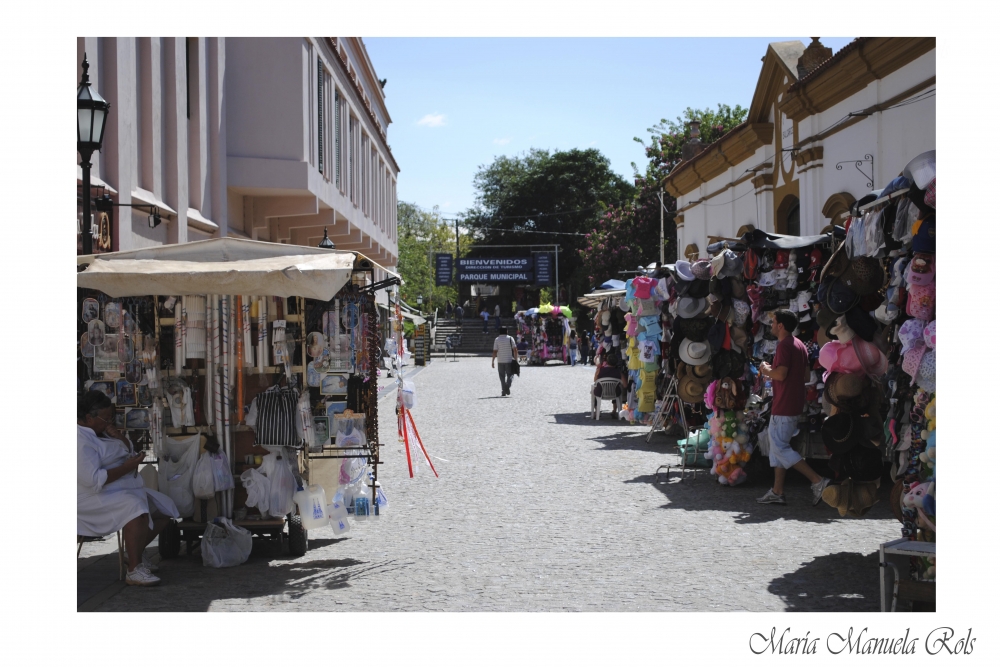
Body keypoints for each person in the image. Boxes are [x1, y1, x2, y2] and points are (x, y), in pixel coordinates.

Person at [78, 390, 180, 586]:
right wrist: (128, 467)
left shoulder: (98, 433)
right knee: (135, 508)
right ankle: (134, 569)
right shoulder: (79, 440)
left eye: (111, 418)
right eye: (105, 418)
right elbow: (93, 480)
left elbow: (124, 452)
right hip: (89, 497)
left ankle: (134, 551)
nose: (109, 422)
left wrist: (120, 439)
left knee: (163, 510)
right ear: (89, 417)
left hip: (119, 487)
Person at [756, 310, 830, 506]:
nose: (771, 325)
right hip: (794, 402)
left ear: (780, 325)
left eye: (773, 322)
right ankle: (777, 491)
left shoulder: (785, 346)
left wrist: (765, 369)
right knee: (778, 448)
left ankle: (818, 481)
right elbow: (806, 377)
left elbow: (780, 375)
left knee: (780, 447)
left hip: (785, 403)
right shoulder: (800, 345)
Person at [491, 326, 520, 396]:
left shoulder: (497, 339)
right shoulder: (510, 338)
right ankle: (507, 386)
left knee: (502, 376)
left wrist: (493, 361)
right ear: (506, 331)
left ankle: (504, 391)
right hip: (509, 360)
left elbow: (495, 351)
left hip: (500, 360)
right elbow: (515, 349)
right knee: (511, 375)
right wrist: (516, 359)